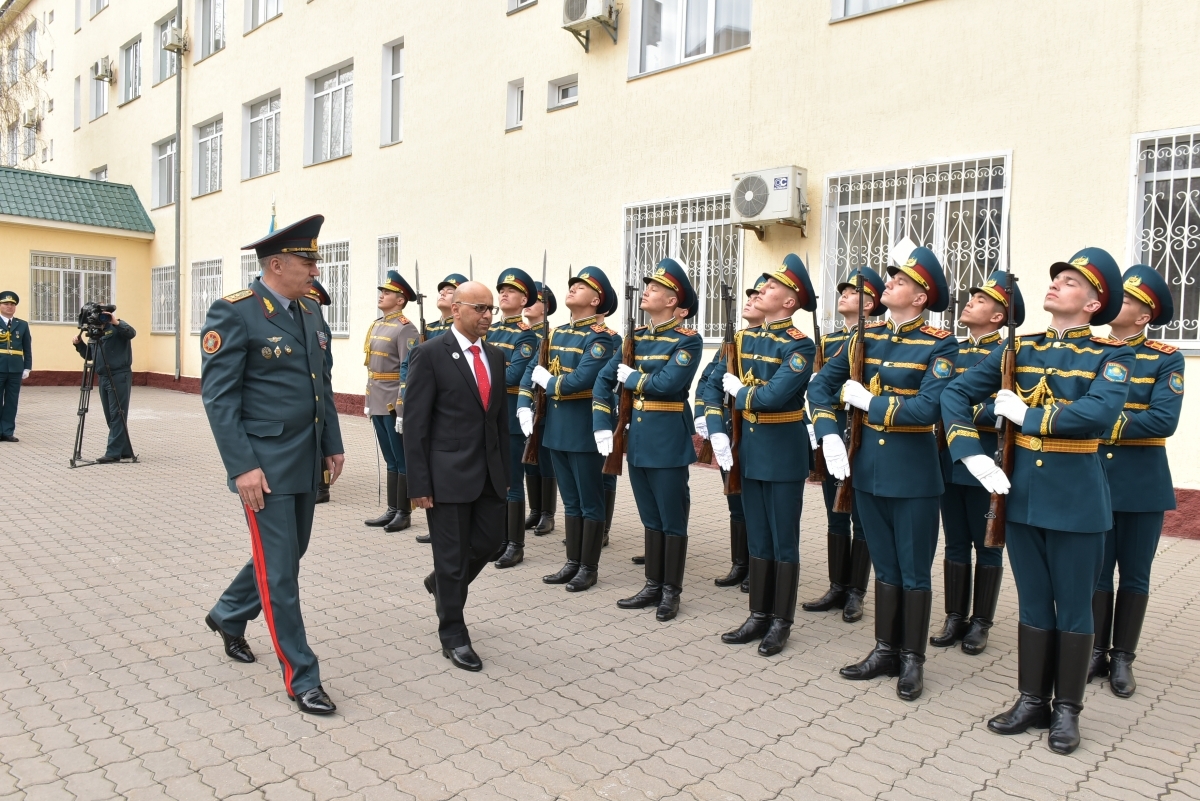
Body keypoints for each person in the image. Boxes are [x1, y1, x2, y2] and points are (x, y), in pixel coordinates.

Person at [941, 247, 1132, 755]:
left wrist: (1030, 417)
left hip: (1076, 500)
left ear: (1093, 305)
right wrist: (969, 454)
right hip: (1019, 494)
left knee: (1072, 607)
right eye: (1057, 279)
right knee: (1031, 604)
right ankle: (1031, 700)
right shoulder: (1017, 349)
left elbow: (1098, 411)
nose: (1055, 285)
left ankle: (1067, 710)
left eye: (1070, 283)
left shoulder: (1113, 355)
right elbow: (954, 395)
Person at [201, 215, 346, 715]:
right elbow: (219, 399)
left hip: (305, 458)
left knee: (290, 551)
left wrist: (333, 442)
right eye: (308, 262)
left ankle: (228, 613)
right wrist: (242, 467)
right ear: (277, 264)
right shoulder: (235, 313)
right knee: (281, 571)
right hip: (263, 464)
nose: (315, 270)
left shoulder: (308, 311)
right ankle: (302, 675)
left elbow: (319, 385)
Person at [811, 247, 957, 701]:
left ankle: (913, 659)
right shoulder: (864, 336)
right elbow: (820, 385)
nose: (889, 282)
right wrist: (829, 432)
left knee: (914, 571)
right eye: (891, 277)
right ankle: (884, 650)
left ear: (920, 297)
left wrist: (869, 403)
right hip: (867, 468)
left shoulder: (940, 343)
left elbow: (927, 408)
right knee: (887, 568)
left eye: (900, 280)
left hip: (913, 473)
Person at [708, 254, 817, 655]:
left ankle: (781, 622)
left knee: (783, 540)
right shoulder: (740, 340)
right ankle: (758, 615)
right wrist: (717, 429)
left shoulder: (801, 346)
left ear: (789, 302)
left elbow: (774, 397)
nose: (762, 292)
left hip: (783, 453)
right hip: (749, 451)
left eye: (772, 288)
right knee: (758, 537)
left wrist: (740, 392)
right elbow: (712, 386)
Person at [404, 281, 510, 672]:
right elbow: (415, 425)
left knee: (491, 542)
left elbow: (498, 420)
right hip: (445, 475)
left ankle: (441, 584)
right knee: (451, 558)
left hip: (488, 475)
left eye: (490, 310)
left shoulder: (495, 357)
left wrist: (506, 473)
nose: (487, 316)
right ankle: (453, 634)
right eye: (480, 309)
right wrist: (418, 484)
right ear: (456, 310)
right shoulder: (430, 354)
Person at [1091, 264, 1183, 698]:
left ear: (1144, 315)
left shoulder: (1167, 358)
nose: (1116, 304)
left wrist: (1098, 421)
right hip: (1093, 479)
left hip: (1141, 484)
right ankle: (1093, 649)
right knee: (1096, 571)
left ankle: (1123, 656)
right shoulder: (1091, 349)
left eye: (1126, 301)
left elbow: (1164, 419)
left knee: (1135, 574)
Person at [930, 271, 1024, 655]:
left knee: (987, 545)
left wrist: (962, 410)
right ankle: (955, 616)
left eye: (982, 300)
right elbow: (936, 399)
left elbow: (1005, 410)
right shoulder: (951, 350)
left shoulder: (1007, 354)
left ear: (1000, 317)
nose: (970, 302)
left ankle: (981, 622)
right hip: (950, 459)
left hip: (988, 460)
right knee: (954, 543)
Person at [603, 259, 702, 621]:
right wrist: (605, 418)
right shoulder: (637, 338)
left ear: (675, 301)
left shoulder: (688, 341)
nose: (648, 291)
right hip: (639, 438)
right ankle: (652, 584)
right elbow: (605, 376)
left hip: (667, 439)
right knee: (650, 518)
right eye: (649, 286)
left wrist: (631, 379)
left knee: (671, 519)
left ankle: (671, 591)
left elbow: (667, 385)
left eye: (657, 288)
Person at [518, 267, 617, 592]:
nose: (573, 288)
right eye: (572, 283)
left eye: (582, 286)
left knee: (590, 500)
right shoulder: (556, 333)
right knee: (571, 502)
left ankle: (589, 567)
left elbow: (584, 379)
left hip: (583, 428)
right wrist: (523, 400)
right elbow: (533, 367)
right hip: (557, 428)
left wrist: (551, 382)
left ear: (596, 299)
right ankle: (572, 562)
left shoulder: (600, 337)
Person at [801, 267, 883, 623]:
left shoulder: (880, 338)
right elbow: (816, 391)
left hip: (863, 433)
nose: (845, 296)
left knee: (862, 521)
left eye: (853, 292)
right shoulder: (830, 341)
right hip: (833, 432)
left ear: (870, 304)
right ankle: (837, 586)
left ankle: (856, 593)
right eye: (844, 291)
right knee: (837, 514)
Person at [694, 278, 767, 590]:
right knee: (735, 500)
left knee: (757, 505)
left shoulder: (777, 343)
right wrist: (703, 415)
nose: (749, 300)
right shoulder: (733, 341)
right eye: (748, 295)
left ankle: (759, 566)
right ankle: (740, 564)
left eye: (757, 295)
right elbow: (708, 379)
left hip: (758, 430)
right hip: (729, 430)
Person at [403, 273, 466, 545]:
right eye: (440, 289)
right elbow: (410, 364)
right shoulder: (428, 328)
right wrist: (410, 389)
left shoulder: (466, 334)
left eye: (449, 290)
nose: (442, 292)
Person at [363, 271, 420, 533]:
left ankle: (404, 512)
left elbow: (408, 370)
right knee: (390, 458)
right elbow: (371, 367)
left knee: (401, 457)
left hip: (392, 401)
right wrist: (367, 398)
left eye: (387, 293)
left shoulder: (405, 328)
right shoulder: (377, 324)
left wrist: (402, 407)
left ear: (400, 300)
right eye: (381, 291)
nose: (381, 295)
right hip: (377, 398)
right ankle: (391, 508)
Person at [490, 268, 539, 569]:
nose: (504, 294)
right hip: (486, 417)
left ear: (523, 300)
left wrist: (480, 375)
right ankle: (498, 539)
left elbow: (514, 375)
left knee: (512, 483)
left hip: (508, 416)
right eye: (502, 289)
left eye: (511, 290)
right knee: (493, 482)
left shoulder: (526, 336)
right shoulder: (489, 330)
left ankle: (515, 545)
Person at [73, 306, 137, 463]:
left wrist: (116, 321)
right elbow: (90, 355)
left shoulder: (116, 328)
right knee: (111, 415)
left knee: (117, 413)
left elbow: (131, 333)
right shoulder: (95, 333)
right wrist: (79, 345)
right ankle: (125, 450)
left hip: (119, 375)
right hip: (103, 376)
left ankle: (113, 453)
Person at [523, 282, 559, 537]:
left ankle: (548, 514)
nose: (528, 304)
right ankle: (535, 510)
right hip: (527, 402)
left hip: (546, 402)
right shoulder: (521, 332)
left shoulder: (550, 335)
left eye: (534, 300)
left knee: (545, 460)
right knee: (529, 460)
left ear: (546, 307)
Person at [307, 280, 335, 504]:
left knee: (319, 440)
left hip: (318, 383)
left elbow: (325, 359)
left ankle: (322, 486)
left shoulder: (320, 326)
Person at [0, 291, 31, 442]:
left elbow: (27, 348)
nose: (9, 307)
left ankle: (7, 431)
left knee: (12, 401)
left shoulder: (22, 324)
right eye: (6, 304)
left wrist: (27, 367)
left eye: (12, 304)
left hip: (16, 369)